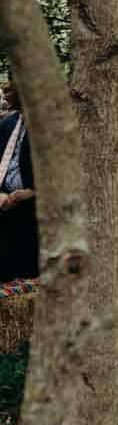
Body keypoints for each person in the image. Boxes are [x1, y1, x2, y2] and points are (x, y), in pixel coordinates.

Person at [0, 81, 37, 283]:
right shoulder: (7, 123)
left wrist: (31, 192)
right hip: (4, 208)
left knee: (28, 275)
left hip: (33, 214)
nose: (5, 88)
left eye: (12, 85)